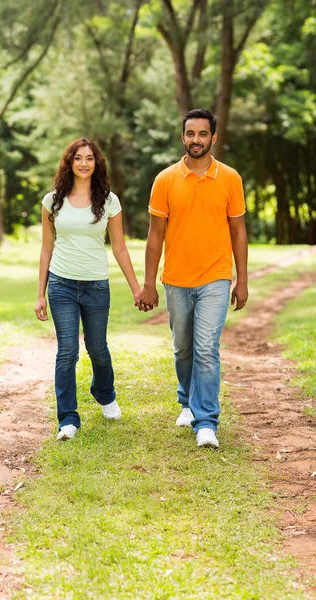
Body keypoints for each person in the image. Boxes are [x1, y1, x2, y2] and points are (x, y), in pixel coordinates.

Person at [136, 109, 248, 449]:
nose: (195, 139)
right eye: (190, 133)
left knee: (205, 348)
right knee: (183, 348)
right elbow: (155, 236)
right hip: (176, 280)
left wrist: (241, 280)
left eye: (202, 134)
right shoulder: (165, 180)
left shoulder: (230, 178)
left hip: (215, 276)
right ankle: (186, 401)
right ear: (183, 136)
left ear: (213, 137)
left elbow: (238, 232)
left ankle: (207, 421)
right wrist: (149, 282)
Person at [35, 138, 141, 440]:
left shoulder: (109, 201)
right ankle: (67, 419)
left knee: (98, 350)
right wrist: (40, 293)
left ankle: (104, 392)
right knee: (67, 352)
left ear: (97, 163)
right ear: (69, 162)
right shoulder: (52, 200)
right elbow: (46, 248)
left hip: (96, 285)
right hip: (61, 284)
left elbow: (119, 247)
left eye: (90, 158)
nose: (84, 163)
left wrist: (136, 288)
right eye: (78, 158)